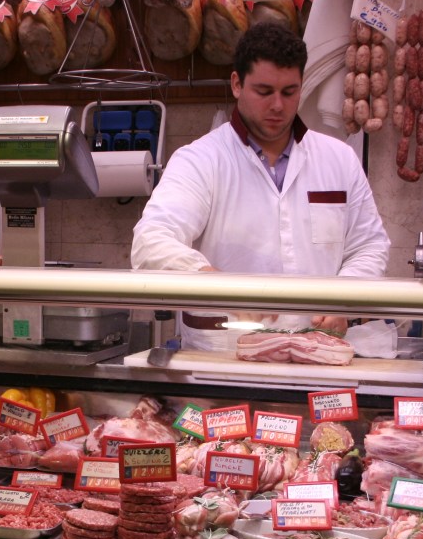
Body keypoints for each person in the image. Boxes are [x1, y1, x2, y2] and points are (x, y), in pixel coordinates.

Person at [131, 21, 391, 352]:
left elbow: (369, 246)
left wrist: (343, 299)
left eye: (289, 92)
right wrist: (219, 285)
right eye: (264, 92)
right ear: (237, 84)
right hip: (225, 356)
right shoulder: (201, 160)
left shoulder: (338, 159)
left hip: (320, 351)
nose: (278, 107)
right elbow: (151, 243)